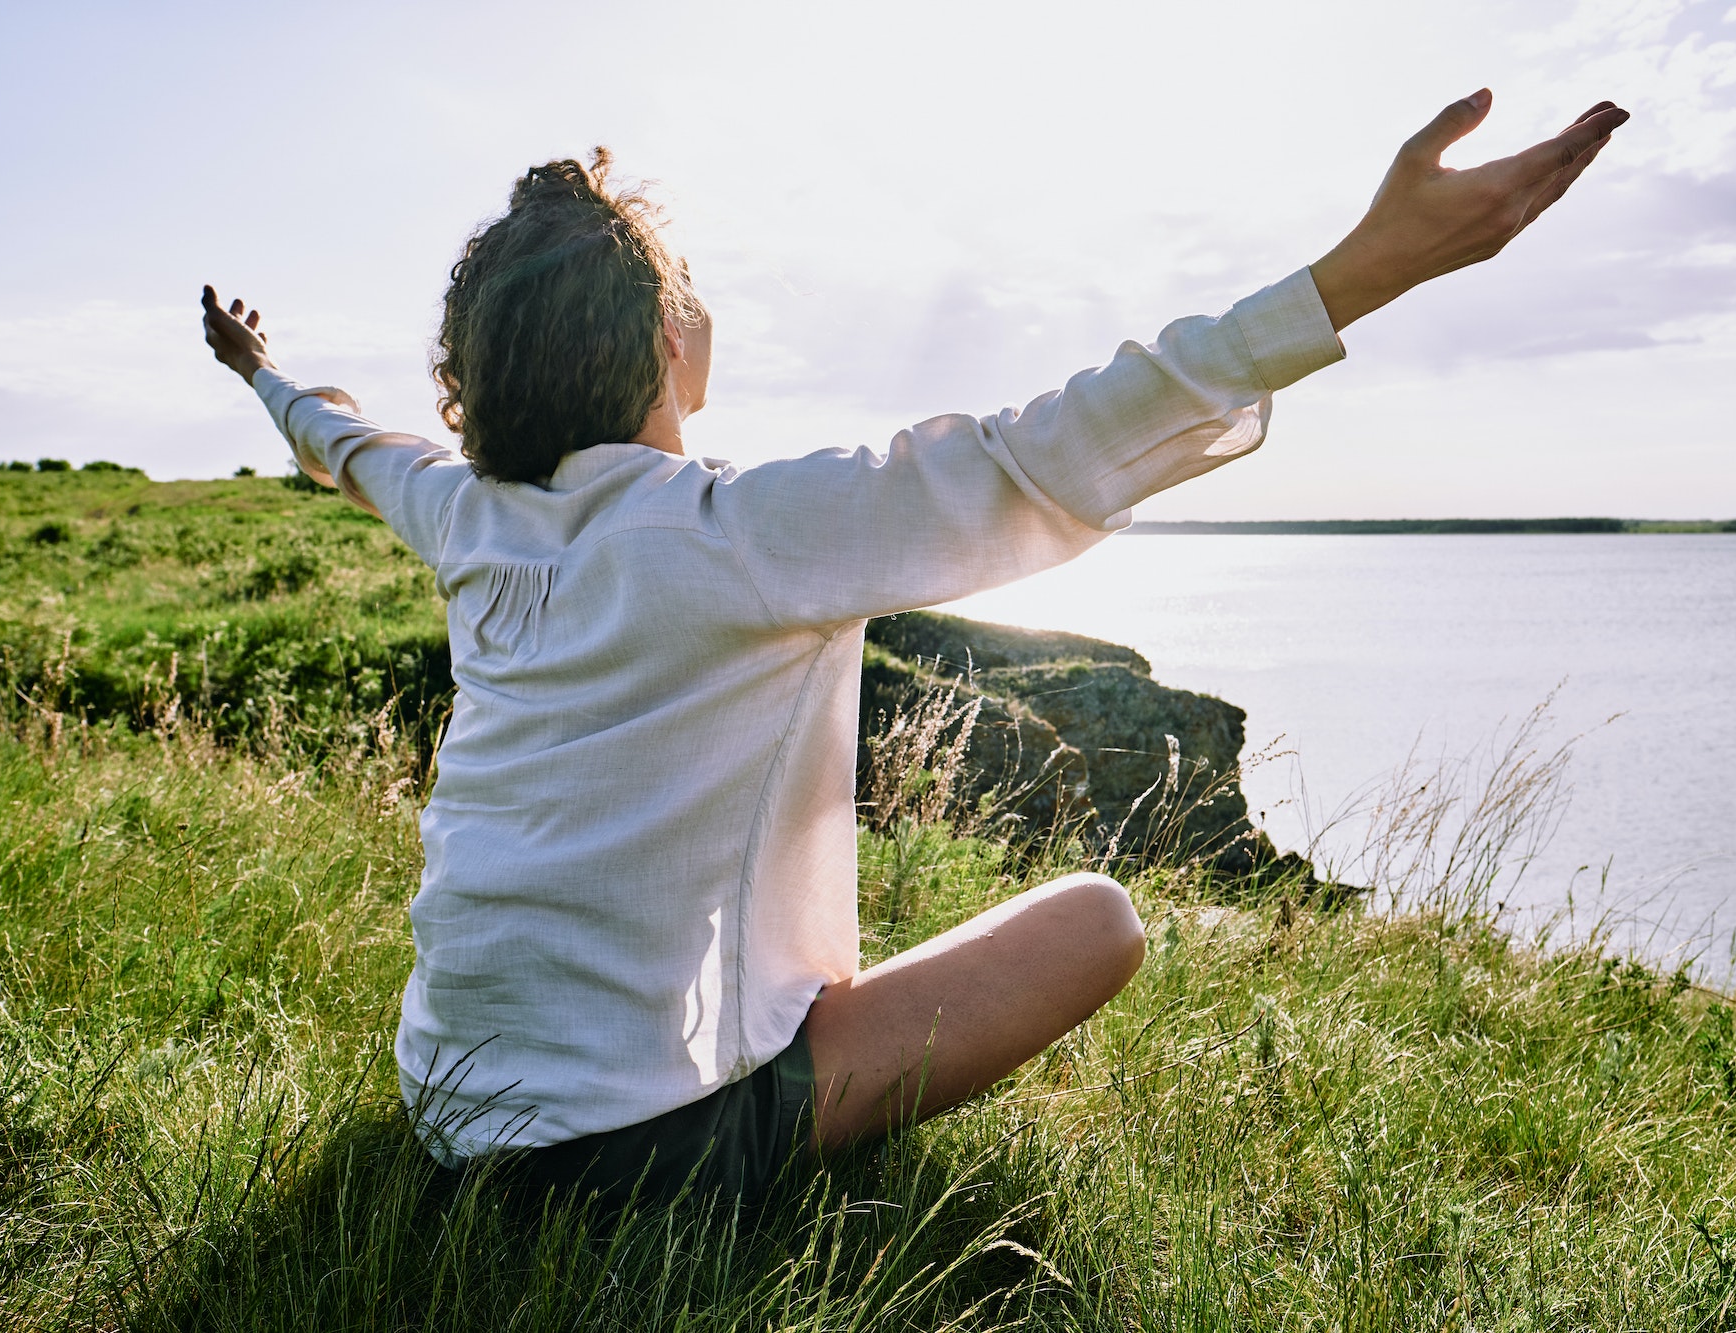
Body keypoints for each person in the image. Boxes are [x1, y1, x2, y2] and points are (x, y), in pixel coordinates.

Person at [201, 89, 1627, 1207]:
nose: (704, 304)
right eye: (683, 287)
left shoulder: (466, 516)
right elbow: (1042, 450)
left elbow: (344, 437)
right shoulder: (736, 530)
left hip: (447, 1112)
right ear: (659, 349)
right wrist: (1360, 273)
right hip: (631, 1156)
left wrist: (261, 370)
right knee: (1100, 919)